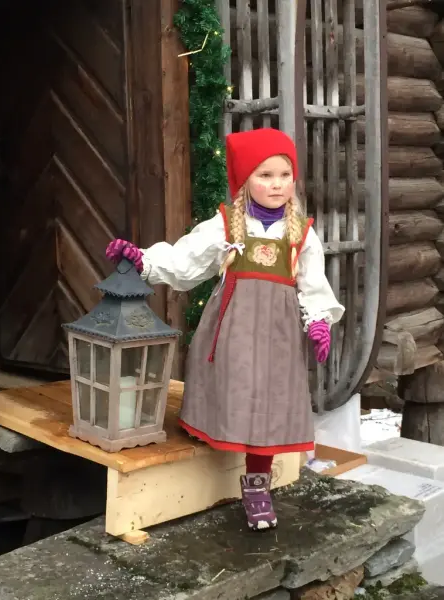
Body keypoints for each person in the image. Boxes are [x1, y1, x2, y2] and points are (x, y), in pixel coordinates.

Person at [106, 128, 345, 531]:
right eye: (264, 175)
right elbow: (186, 263)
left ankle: (256, 486)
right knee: (231, 387)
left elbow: (313, 286)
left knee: (268, 404)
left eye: (284, 175)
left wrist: (319, 321)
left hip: (279, 335)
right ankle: (210, 434)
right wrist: (143, 259)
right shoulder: (225, 226)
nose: (276, 184)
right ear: (244, 180)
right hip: (233, 328)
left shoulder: (301, 233)